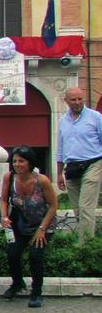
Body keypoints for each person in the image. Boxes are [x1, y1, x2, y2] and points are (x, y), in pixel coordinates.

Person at [0, 146, 58, 308]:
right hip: (20, 223)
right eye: (15, 161)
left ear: (30, 163)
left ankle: (36, 292)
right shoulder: (9, 177)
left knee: (35, 256)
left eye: (21, 161)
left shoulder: (41, 181)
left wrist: (42, 230)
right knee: (12, 253)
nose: (17, 165)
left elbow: (53, 206)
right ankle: (17, 283)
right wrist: (4, 216)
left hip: (43, 224)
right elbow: (3, 199)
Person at [56, 86, 102, 243]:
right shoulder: (62, 121)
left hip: (94, 162)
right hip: (72, 167)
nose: (77, 102)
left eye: (80, 99)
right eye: (73, 100)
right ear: (66, 101)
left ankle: (85, 246)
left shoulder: (95, 117)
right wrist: (59, 173)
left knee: (85, 207)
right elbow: (61, 149)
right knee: (77, 209)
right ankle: (91, 241)